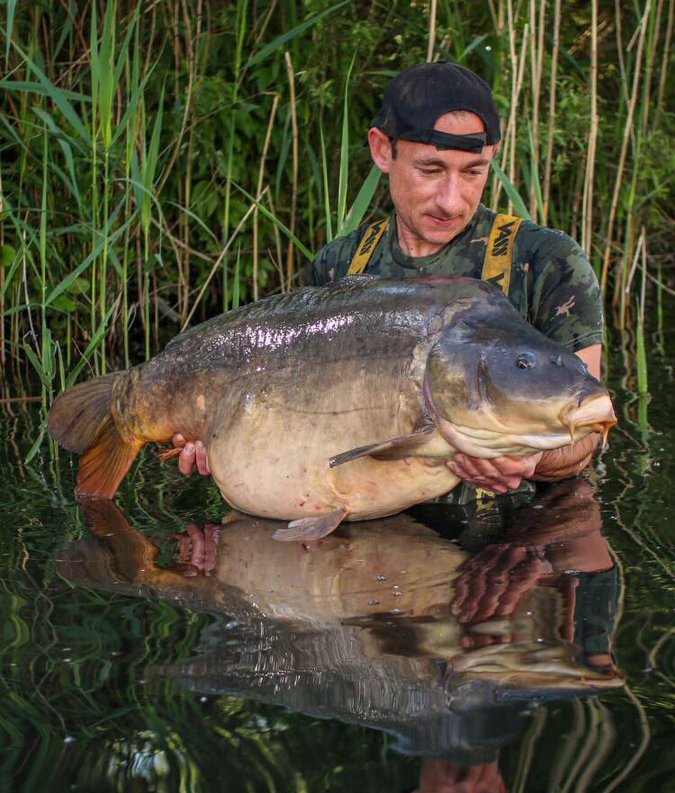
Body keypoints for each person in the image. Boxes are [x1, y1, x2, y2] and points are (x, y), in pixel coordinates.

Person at [174, 61, 606, 495]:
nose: (452, 200)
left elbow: (589, 429)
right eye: (431, 170)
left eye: (473, 172)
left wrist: (533, 460)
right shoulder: (341, 265)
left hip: (522, 534)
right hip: (373, 512)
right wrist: (225, 437)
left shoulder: (547, 260)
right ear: (383, 151)